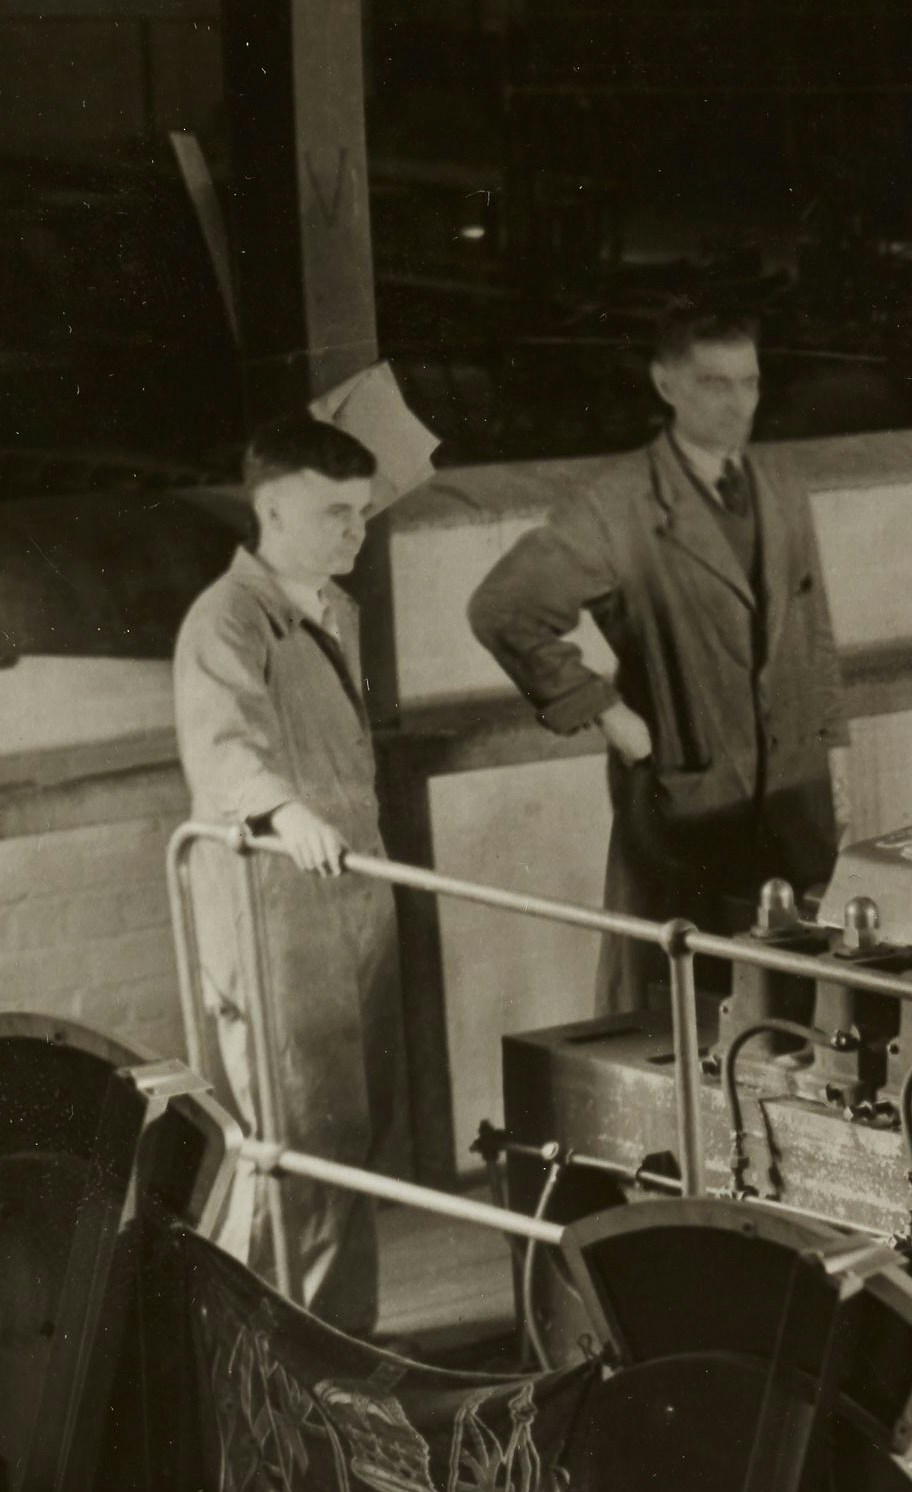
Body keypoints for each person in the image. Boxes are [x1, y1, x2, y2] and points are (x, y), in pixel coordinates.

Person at [467, 301, 847, 1011]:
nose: (738, 403)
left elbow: (812, 625)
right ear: (665, 385)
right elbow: (503, 606)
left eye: (750, 382)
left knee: (805, 1010)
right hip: (688, 810)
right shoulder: (620, 503)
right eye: (714, 383)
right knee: (681, 1011)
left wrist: (836, 751)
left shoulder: (781, 487)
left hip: (796, 809)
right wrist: (606, 711)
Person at [172, 412, 403, 1334]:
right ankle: (304, 1353)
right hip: (275, 915)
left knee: (348, 1135)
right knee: (304, 1143)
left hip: (345, 902)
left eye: (362, 513)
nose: (355, 532)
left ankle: (329, 1344)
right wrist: (285, 809)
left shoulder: (328, 608)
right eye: (334, 513)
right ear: (269, 507)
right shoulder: (227, 618)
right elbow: (223, 745)